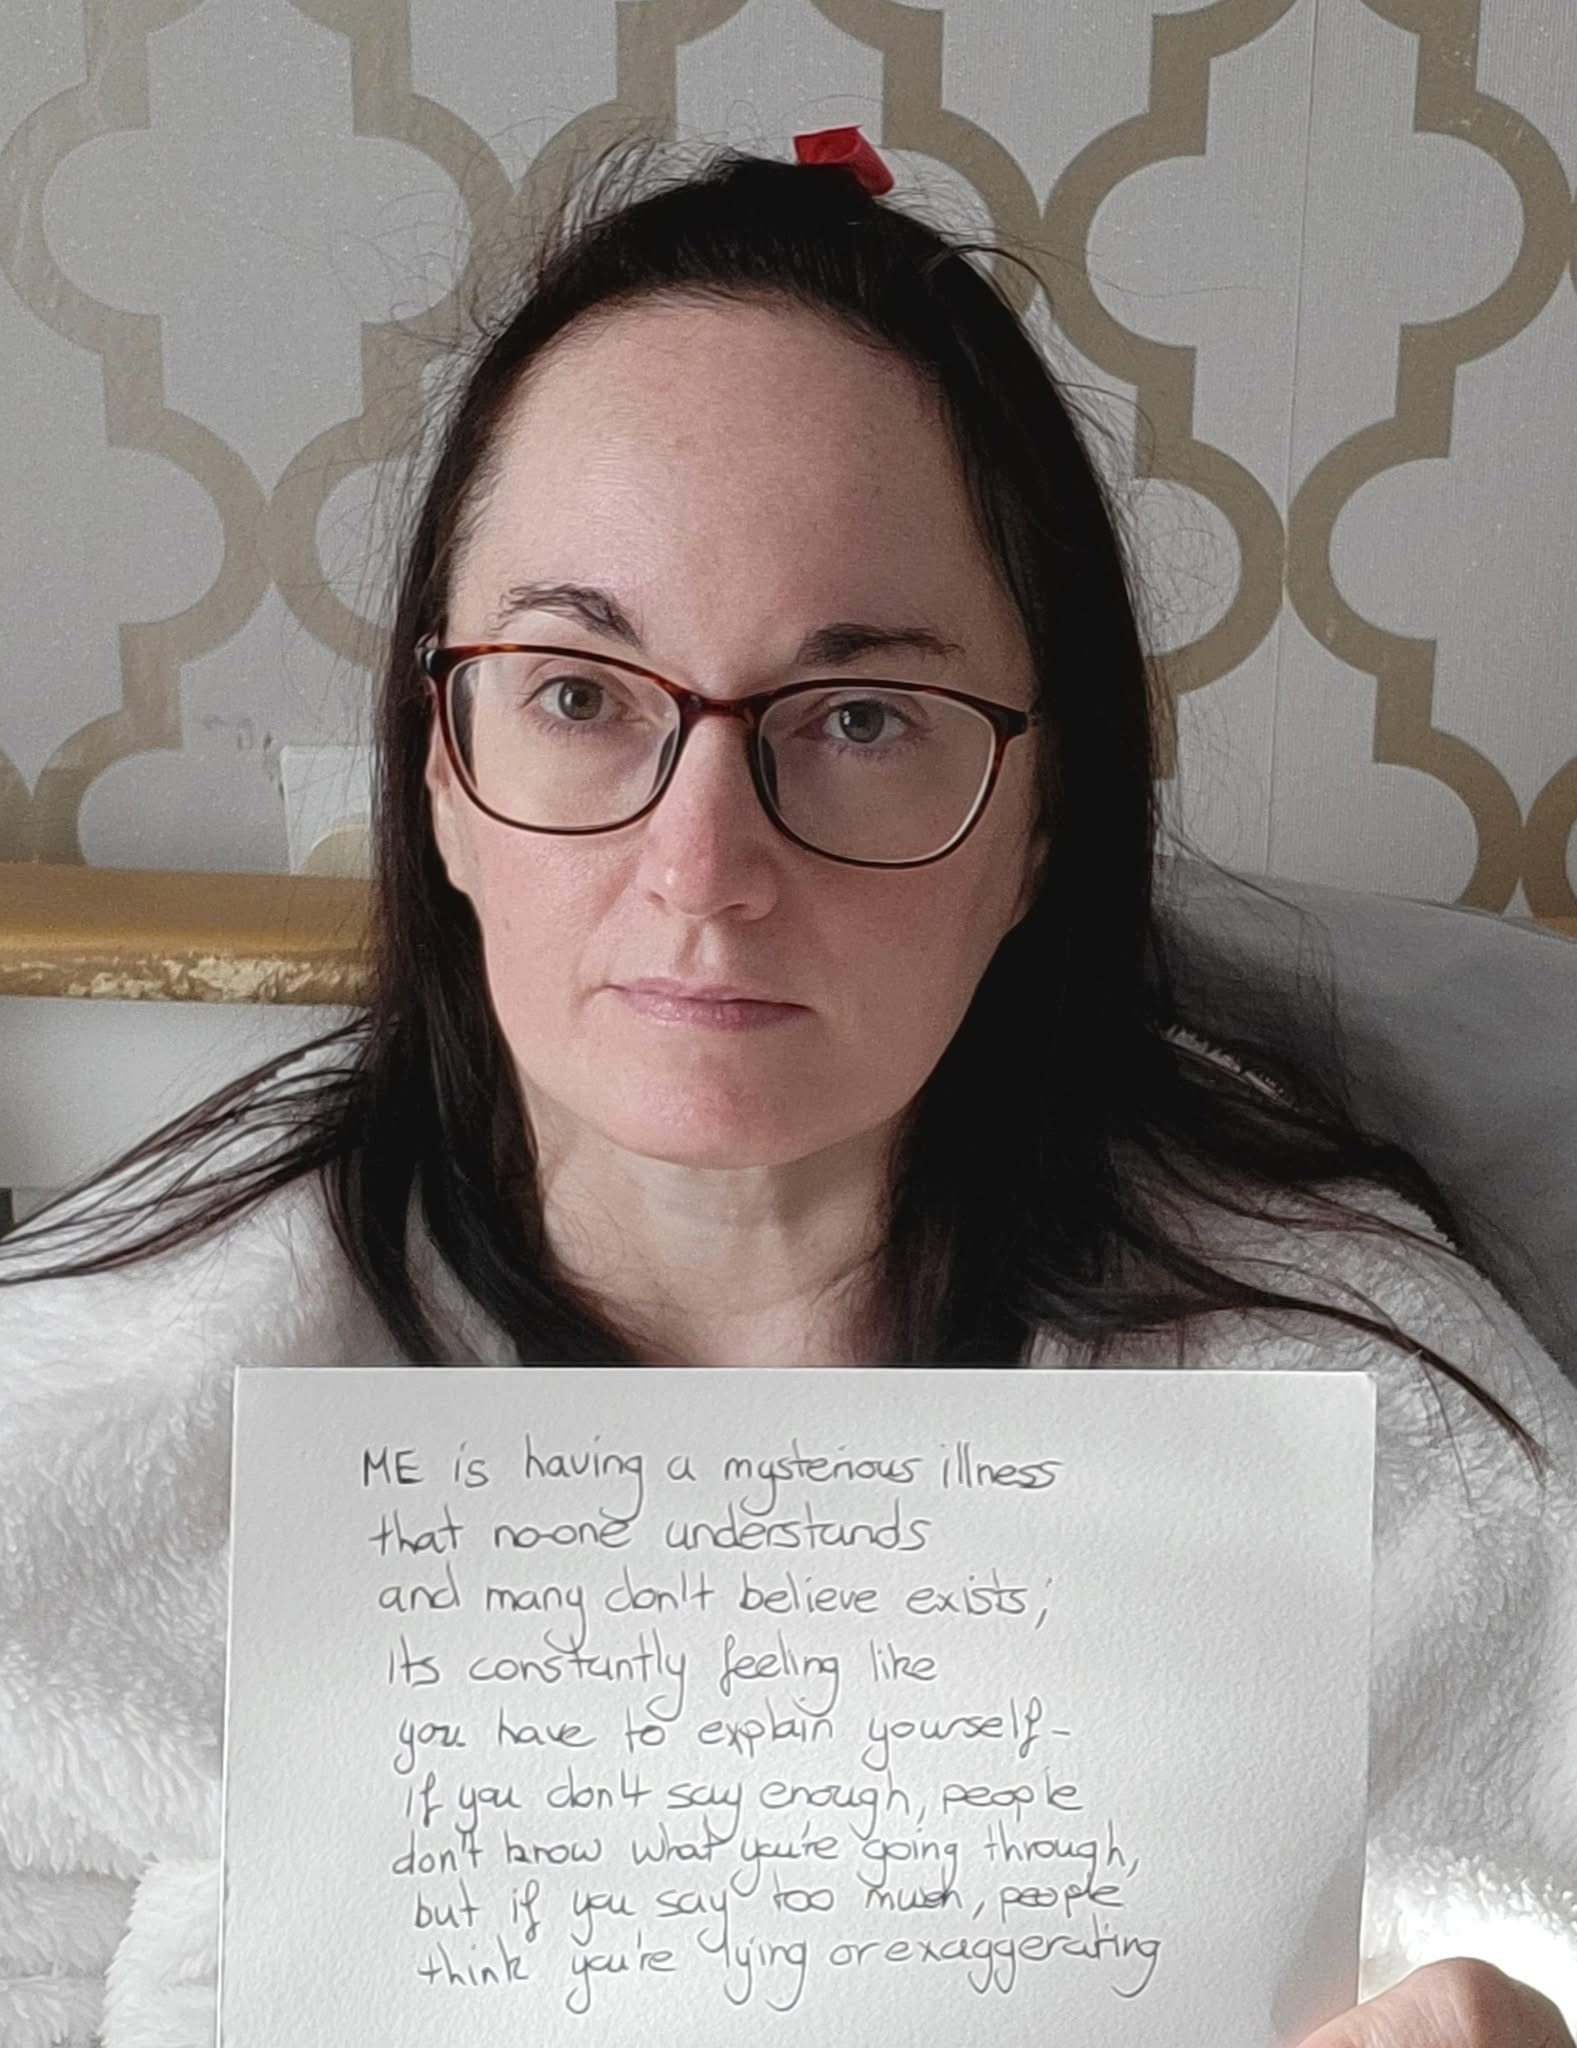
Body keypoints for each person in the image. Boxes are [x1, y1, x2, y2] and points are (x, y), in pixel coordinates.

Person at [0, 129, 1572, 2048]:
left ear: (1041, 816)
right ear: (439, 766)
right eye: (579, 693)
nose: (703, 869)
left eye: (859, 717)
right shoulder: (71, 1453)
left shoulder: (1390, 1465)